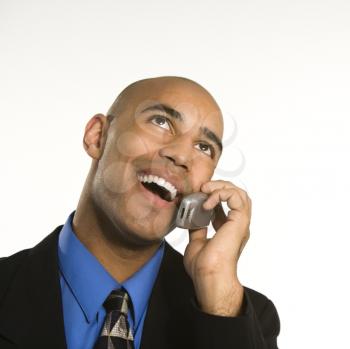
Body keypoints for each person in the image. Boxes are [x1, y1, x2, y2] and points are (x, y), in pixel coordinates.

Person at [0, 76, 280, 349]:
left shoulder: (243, 318)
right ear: (98, 136)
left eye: (203, 147)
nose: (182, 156)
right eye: (161, 121)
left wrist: (218, 301)